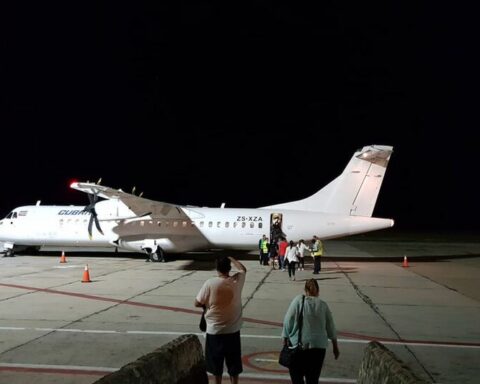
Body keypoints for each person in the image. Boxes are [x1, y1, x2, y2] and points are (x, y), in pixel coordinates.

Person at [195, 256, 247, 384]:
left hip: (214, 331)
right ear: (229, 268)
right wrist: (232, 258)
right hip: (233, 330)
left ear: (217, 269)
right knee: (234, 365)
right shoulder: (236, 281)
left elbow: (197, 302)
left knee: (216, 367)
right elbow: (243, 269)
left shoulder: (210, 283)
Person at [282, 279, 340, 384]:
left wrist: (285, 337)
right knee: (313, 379)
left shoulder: (298, 300)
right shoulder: (323, 305)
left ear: (305, 290)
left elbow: (288, 319)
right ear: (318, 290)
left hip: (300, 347)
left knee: (297, 378)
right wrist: (335, 347)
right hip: (318, 349)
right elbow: (330, 326)